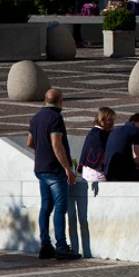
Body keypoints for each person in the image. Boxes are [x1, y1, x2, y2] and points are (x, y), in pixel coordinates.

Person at [26, 88, 80, 260]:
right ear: (61, 101)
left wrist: (42, 151)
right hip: (54, 170)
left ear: (45, 99)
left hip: (40, 169)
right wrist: (67, 169)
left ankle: (45, 245)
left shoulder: (35, 118)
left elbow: (29, 143)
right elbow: (57, 144)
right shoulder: (56, 118)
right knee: (60, 208)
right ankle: (62, 246)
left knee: (45, 208)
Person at [103, 112, 139, 181]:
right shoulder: (136, 131)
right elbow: (137, 157)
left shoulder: (115, 130)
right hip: (124, 174)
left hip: (108, 173)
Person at [77, 106, 116, 184]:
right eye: (110, 120)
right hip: (96, 173)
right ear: (102, 120)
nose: (113, 123)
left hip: (86, 172)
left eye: (113, 120)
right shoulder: (102, 134)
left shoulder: (93, 132)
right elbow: (105, 156)